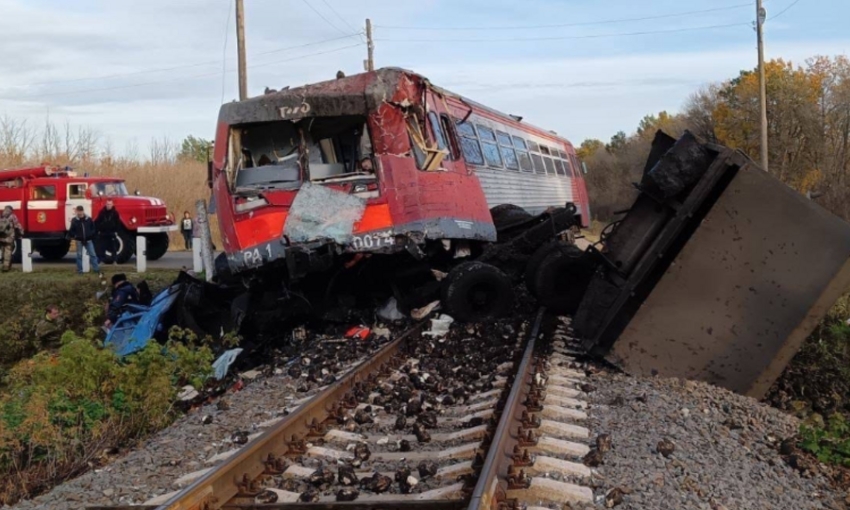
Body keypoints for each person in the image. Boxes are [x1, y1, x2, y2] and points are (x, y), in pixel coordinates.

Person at [68, 205, 101, 275]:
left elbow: (93, 228)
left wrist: (91, 235)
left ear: (83, 211)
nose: (79, 213)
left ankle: (96, 270)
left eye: (80, 212)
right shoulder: (74, 220)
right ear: (76, 211)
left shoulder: (89, 219)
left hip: (88, 240)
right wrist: (75, 236)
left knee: (93, 255)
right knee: (79, 256)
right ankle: (80, 271)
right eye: (78, 212)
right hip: (79, 240)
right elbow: (71, 230)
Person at [95, 199, 121, 264]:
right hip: (103, 232)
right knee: (101, 247)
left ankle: (114, 261)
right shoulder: (101, 212)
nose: (108, 205)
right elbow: (97, 221)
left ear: (112, 205)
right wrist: (98, 230)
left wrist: (116, 231)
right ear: (105, 204)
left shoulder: (115, 213)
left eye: (110, 204)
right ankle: (101, 261)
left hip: (112, 232)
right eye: (107, 204)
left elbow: (118, 223)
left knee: (114, 248)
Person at [0, 205, 23, 273]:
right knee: (8, 251)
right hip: (9, 237)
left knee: (3, 251)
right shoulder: (13, 216)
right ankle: (6, 267)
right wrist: (21, 233)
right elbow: (17, 225)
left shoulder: (1, 215)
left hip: (1, 237)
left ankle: (4, 265)